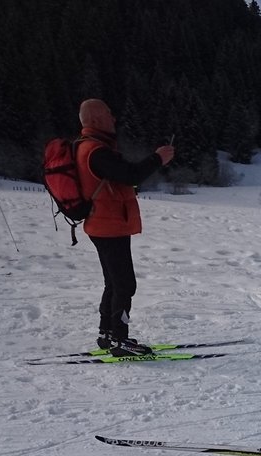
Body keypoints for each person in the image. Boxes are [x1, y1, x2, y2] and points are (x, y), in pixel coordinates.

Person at [75, 98, 174, 356]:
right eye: (109, 114)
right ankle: (120, 339)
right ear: (95, 119)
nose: (114, 118)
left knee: (113, 282)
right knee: (124, 284)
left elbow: (119, 179)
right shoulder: (95, 150)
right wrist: (158, 158)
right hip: (108, 225)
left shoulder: (88, 147)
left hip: (103, 223)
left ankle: (107, 333)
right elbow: (130, 174)